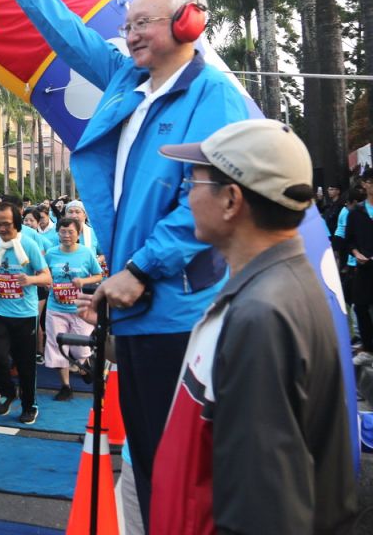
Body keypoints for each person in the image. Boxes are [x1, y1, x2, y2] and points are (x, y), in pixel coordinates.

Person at [0, 0, 249, 522]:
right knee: (149, 456)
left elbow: (204, 205)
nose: (130, 35)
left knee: (174, 459)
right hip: (133, 301)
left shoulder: (213, 97)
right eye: (127, 25)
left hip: (177, 309)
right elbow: (70, 37)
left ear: (188, 23)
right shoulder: (126, 81)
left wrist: (139, 268)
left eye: (144, 24)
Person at [150, 119, 356, 534]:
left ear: (231, 200)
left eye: (194, 181)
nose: (186, 195)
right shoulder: (272, 292)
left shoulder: (261, 315)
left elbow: (261, 511)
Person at [0, 201, 49, 424]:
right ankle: (8, 393)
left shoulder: (28, 245)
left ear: (16, 223)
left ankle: (29, 404)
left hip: (25, 315)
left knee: (25, 364)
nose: (0, 228)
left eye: (6, 224)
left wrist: (30, 279)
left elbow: (47, 277)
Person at [42, 217, 101, 400]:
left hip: (80, 308)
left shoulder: (86, 253)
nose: (66, 235)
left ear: (78, 234)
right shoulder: (51, 254)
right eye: (63, 231)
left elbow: (98, 275)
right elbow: (45, 276)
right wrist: (47, 285)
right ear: (57, 233)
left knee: (80, 349)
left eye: (71, 232)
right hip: (56, 308)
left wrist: (83, 281)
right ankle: (65, 386)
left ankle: (84, 368)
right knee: (58, 346)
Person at [345, 168, 373, 364]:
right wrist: (356, 254)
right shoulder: (356, 212)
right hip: (364, 266)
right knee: (360, 306)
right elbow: (349, 240)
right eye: (370, 181)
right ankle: (368, 348)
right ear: (365, 184)